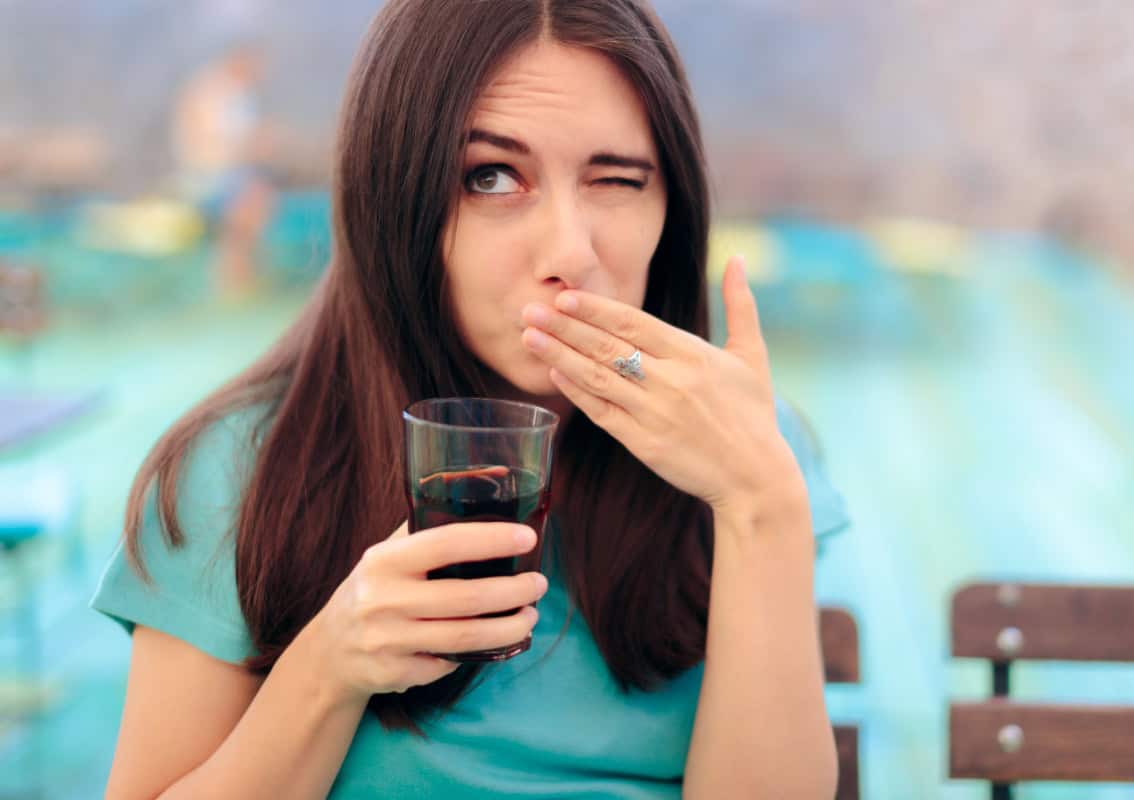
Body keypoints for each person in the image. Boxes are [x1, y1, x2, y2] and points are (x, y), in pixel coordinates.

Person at [92, 1, 852, 797]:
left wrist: (761, 502)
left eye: (617, 178)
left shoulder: (751, 452)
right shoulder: (240, 470)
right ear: (395, 201)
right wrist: (327, 671)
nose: (571, 253)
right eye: (492, 177)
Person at [171, 43, 276, 299]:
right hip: (209, 177)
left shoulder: (243, 96)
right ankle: (233, 282)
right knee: (249, 205)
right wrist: (251, 147)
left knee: (256, 201)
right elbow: (204, 147)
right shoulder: (209, 92)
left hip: (236, 174)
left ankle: (242, 279)